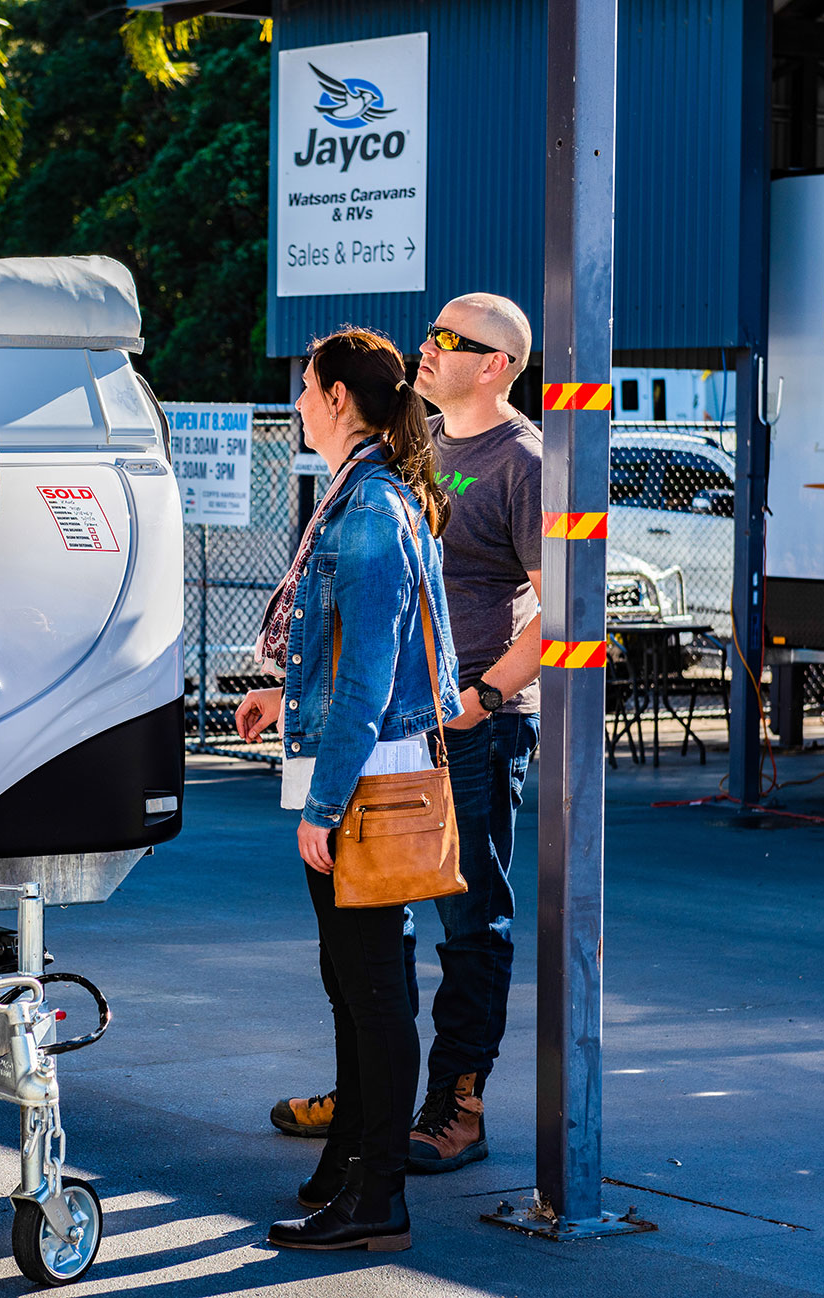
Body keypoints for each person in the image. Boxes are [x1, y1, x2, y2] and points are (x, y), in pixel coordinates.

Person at [269, 293, 542, 1178]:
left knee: (469, 919)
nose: (430, 347)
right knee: (371, 932)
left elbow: (564, 609)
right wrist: (291, 696)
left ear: (496, 364)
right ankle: (371, 1099)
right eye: (430, 333)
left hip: (467, 728)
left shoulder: (523, 460)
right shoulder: (411, 450)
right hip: (392, 720)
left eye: (453, 340)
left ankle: (453, 1106)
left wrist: (485, 695)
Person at [236, 328, 461, 1252]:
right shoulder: (363, 495)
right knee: (355, 979)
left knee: (370, 988)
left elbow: (370, 676)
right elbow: (348, 660)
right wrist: (278, 693)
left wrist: (323, 807)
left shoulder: (368, 510)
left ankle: (378, 1194)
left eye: (302, 387)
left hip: (363, 780)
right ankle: (353, 1172)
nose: (294, 401)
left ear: (335, 396)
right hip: (355, 764)